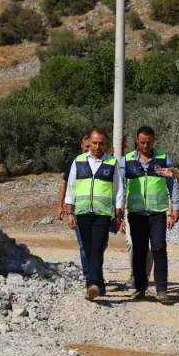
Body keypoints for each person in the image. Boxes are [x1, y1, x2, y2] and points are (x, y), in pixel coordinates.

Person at [65, 129, 124, 301]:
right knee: (89, 250)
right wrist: (69, 212)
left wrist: (118, 214)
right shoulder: (79, 161)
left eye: (101, 143)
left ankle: (91, 284)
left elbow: (118, 191)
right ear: (88, 143)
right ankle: (100, 282)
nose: (97, 146)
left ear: (105, 144)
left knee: (97, 247)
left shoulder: (112, 162)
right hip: (82, 213)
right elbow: (71, 189)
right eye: (94, 143)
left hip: (102, 214)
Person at [123, 126, 179, 304]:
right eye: (142, 142)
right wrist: (117, 211)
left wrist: (175, 207)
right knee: (139, 251)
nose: (145, 145)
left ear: (154, 140)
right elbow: (121, 188)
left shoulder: (163, 158)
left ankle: (161, 289)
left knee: (159, 249)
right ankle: (140, 288)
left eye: (148, 142)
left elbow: (173, 185)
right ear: (137, 141)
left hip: (157, 213)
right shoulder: (127, 161)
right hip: (136, 213)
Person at [57, 133, 91, 282]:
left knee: (98, 245)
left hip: (98, 210)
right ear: (81, 145)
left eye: (94, 145)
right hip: (78, 208)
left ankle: (94, 272)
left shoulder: (103, 161)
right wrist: (61, 206)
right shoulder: (74, 161)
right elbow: (65, 183)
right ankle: (89, 276)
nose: (90, 149)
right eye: (87, 146)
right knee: (84, 244)